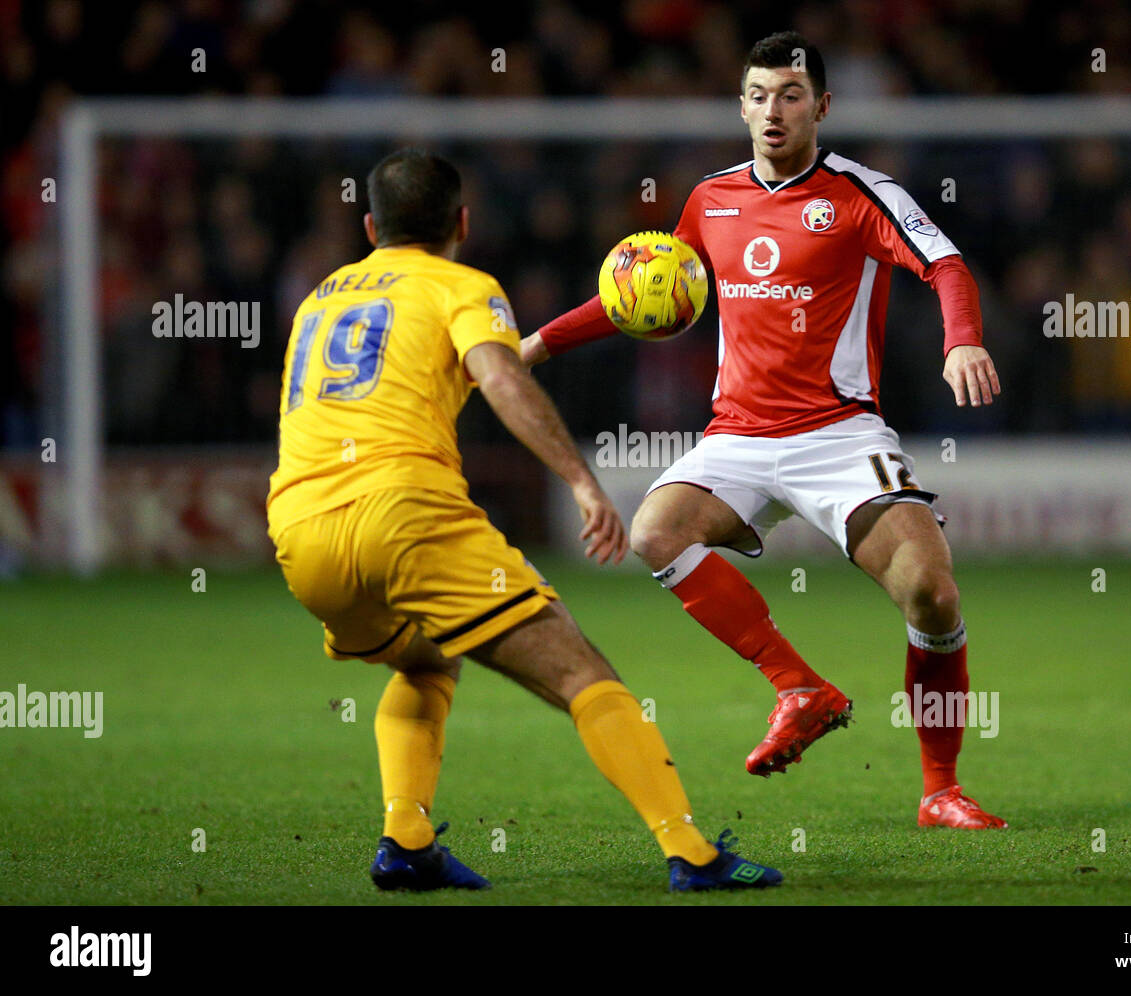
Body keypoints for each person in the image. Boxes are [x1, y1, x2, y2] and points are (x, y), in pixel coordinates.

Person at [523, 32, 1006, 829]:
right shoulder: (709, 199)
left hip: (841, 432)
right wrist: (539, 344)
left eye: (789, 94)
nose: (772, 111)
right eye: (757, 95)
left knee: (933, 593)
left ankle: (940, 790)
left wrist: (962, 338)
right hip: (738, 436)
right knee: (656, 530)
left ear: (822, 105)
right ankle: (798, 686)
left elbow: (945, 265)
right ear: (739, 105)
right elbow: (639, 290)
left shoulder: (863, 193)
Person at [266, 147, 782, 891]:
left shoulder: (320, 297)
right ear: (463, 222)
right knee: (581, 672)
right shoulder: (462, 285)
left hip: (300, 532)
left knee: (424, 655)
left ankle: (405, 842)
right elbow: (501, 377)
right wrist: (581, 481)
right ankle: (691, 853)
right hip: (405, 512)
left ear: (372, 225)